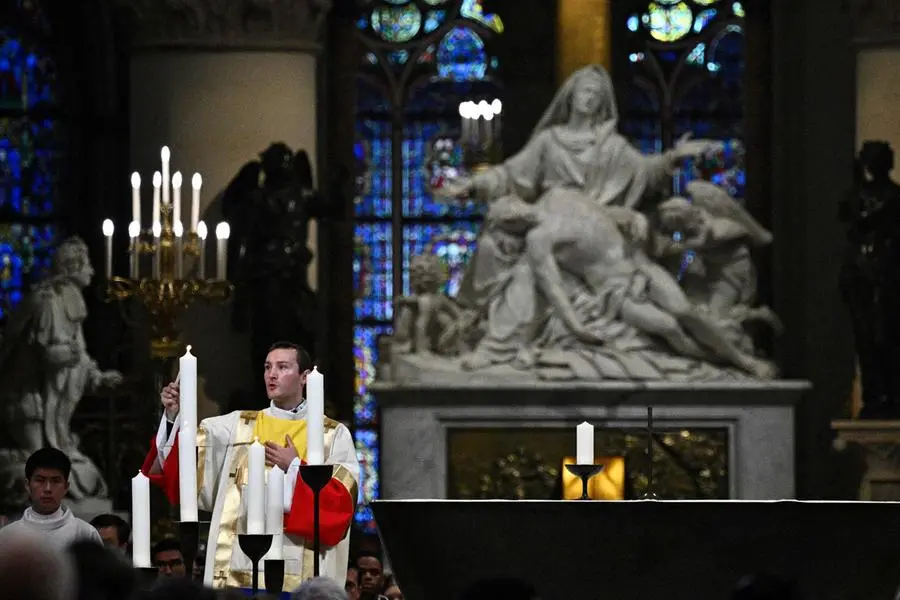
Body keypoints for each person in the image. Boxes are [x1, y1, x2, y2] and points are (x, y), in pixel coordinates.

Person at [142, 341, 359, 592]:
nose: (272, 374)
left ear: (305, 377)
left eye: (283, 367)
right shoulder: (235, 427)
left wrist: (295, 467)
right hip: (236, 573)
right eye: (268, 367)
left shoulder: (331, 435)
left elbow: (341, 505)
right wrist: (174, 415)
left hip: (301, 575)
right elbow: (180, 466)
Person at [0, 448, 101, 549]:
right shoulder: (7, 535)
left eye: (55, 481)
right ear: (27, 485)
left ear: (66, 487)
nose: (47, 489)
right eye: (40, 481)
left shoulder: (86, 533)